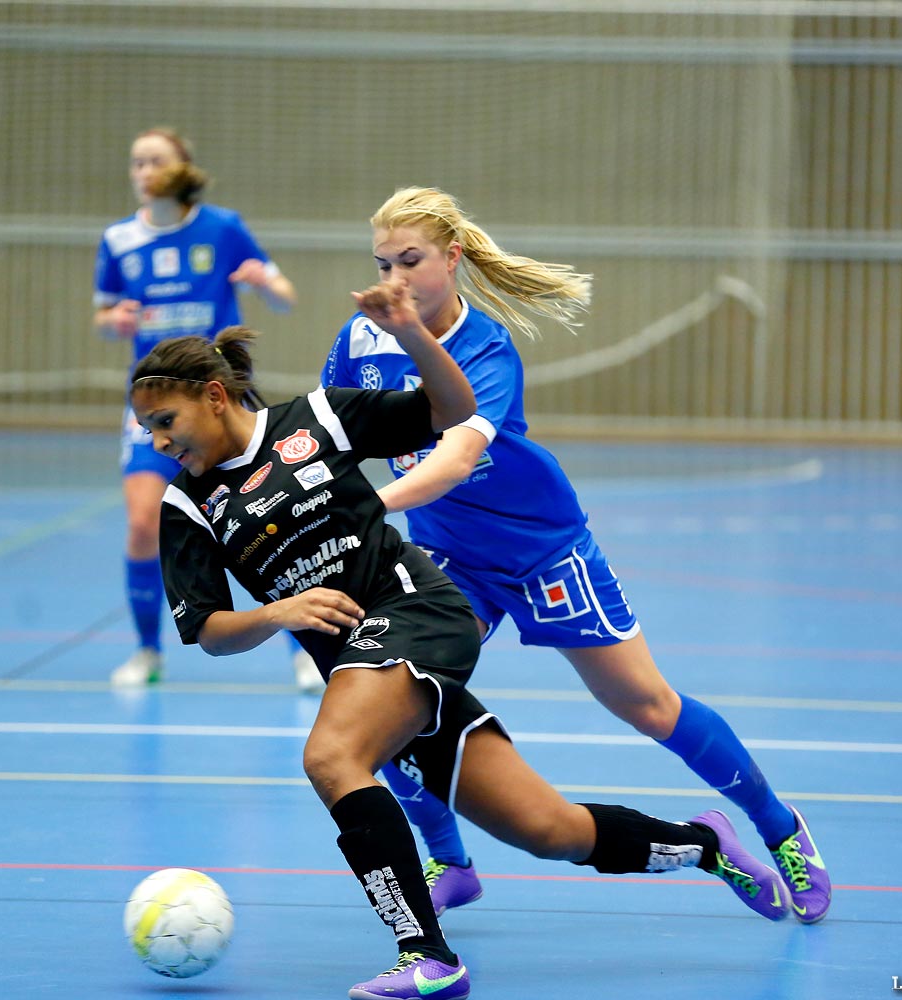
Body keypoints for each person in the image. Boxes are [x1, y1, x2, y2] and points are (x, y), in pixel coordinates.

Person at [137, 306, 790, 1000]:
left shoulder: (315, 420)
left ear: (213, 394)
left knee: (332, 757)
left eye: (165, 421)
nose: (157, 441)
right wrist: (277, 613)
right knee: (550, 830)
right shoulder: (187, 506)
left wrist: (414, 334)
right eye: (147, 429)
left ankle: (427, 956)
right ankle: (704, 845)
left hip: (415, 613)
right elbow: (207, 629)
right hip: (370, 673)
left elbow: (449, 409)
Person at [320, 186, 831, 925]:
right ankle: (449, 860)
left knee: (649, 706)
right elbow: (335, 433)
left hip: (541, 550)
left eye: (411, 260)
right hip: (448, 556)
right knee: (389, 703)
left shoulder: (487, 349)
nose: (395, 279)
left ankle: (780, 830)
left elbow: (458, 458)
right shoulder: (359, 340)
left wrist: (373, 507)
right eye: (382, 262)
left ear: (452, 258)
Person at [92, 126, 321, 692]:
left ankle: (304, 649)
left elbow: (285, 294)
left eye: (155, 160)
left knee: (269, 522)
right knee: (144, 523)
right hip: (152, 409)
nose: (144, 170)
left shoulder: (222, 228)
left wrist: (263, 282)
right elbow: (102, 315)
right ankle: (148, 652)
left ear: (182, 167)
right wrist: (113, 323)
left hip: (217, 404)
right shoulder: (119, 240)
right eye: (136, 161)